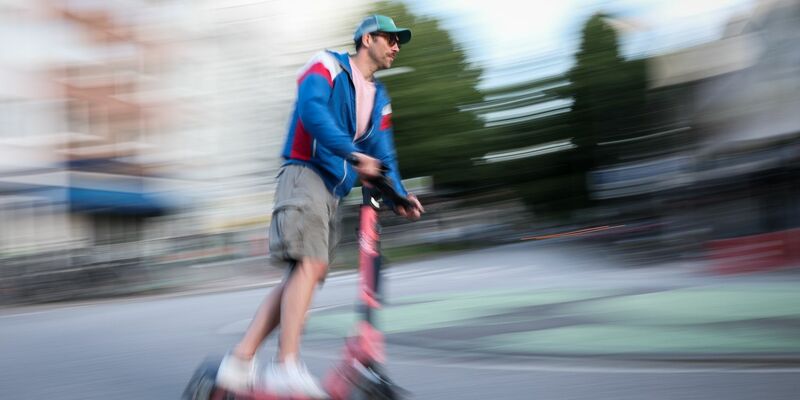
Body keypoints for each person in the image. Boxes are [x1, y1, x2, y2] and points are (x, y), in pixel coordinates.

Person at [215, 14, 423, 398]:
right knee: (308, 268)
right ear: (366, 39)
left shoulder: (380, 98)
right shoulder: (325, 65)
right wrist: (352, 154)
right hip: (304, 173)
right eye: (391, 39)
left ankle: (240, 361)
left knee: (306, 274)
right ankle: (286, 366)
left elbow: (384, 152)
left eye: (399, 42)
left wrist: (399, 194)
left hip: (332, 190)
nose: (396, 47)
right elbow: (312, 113)